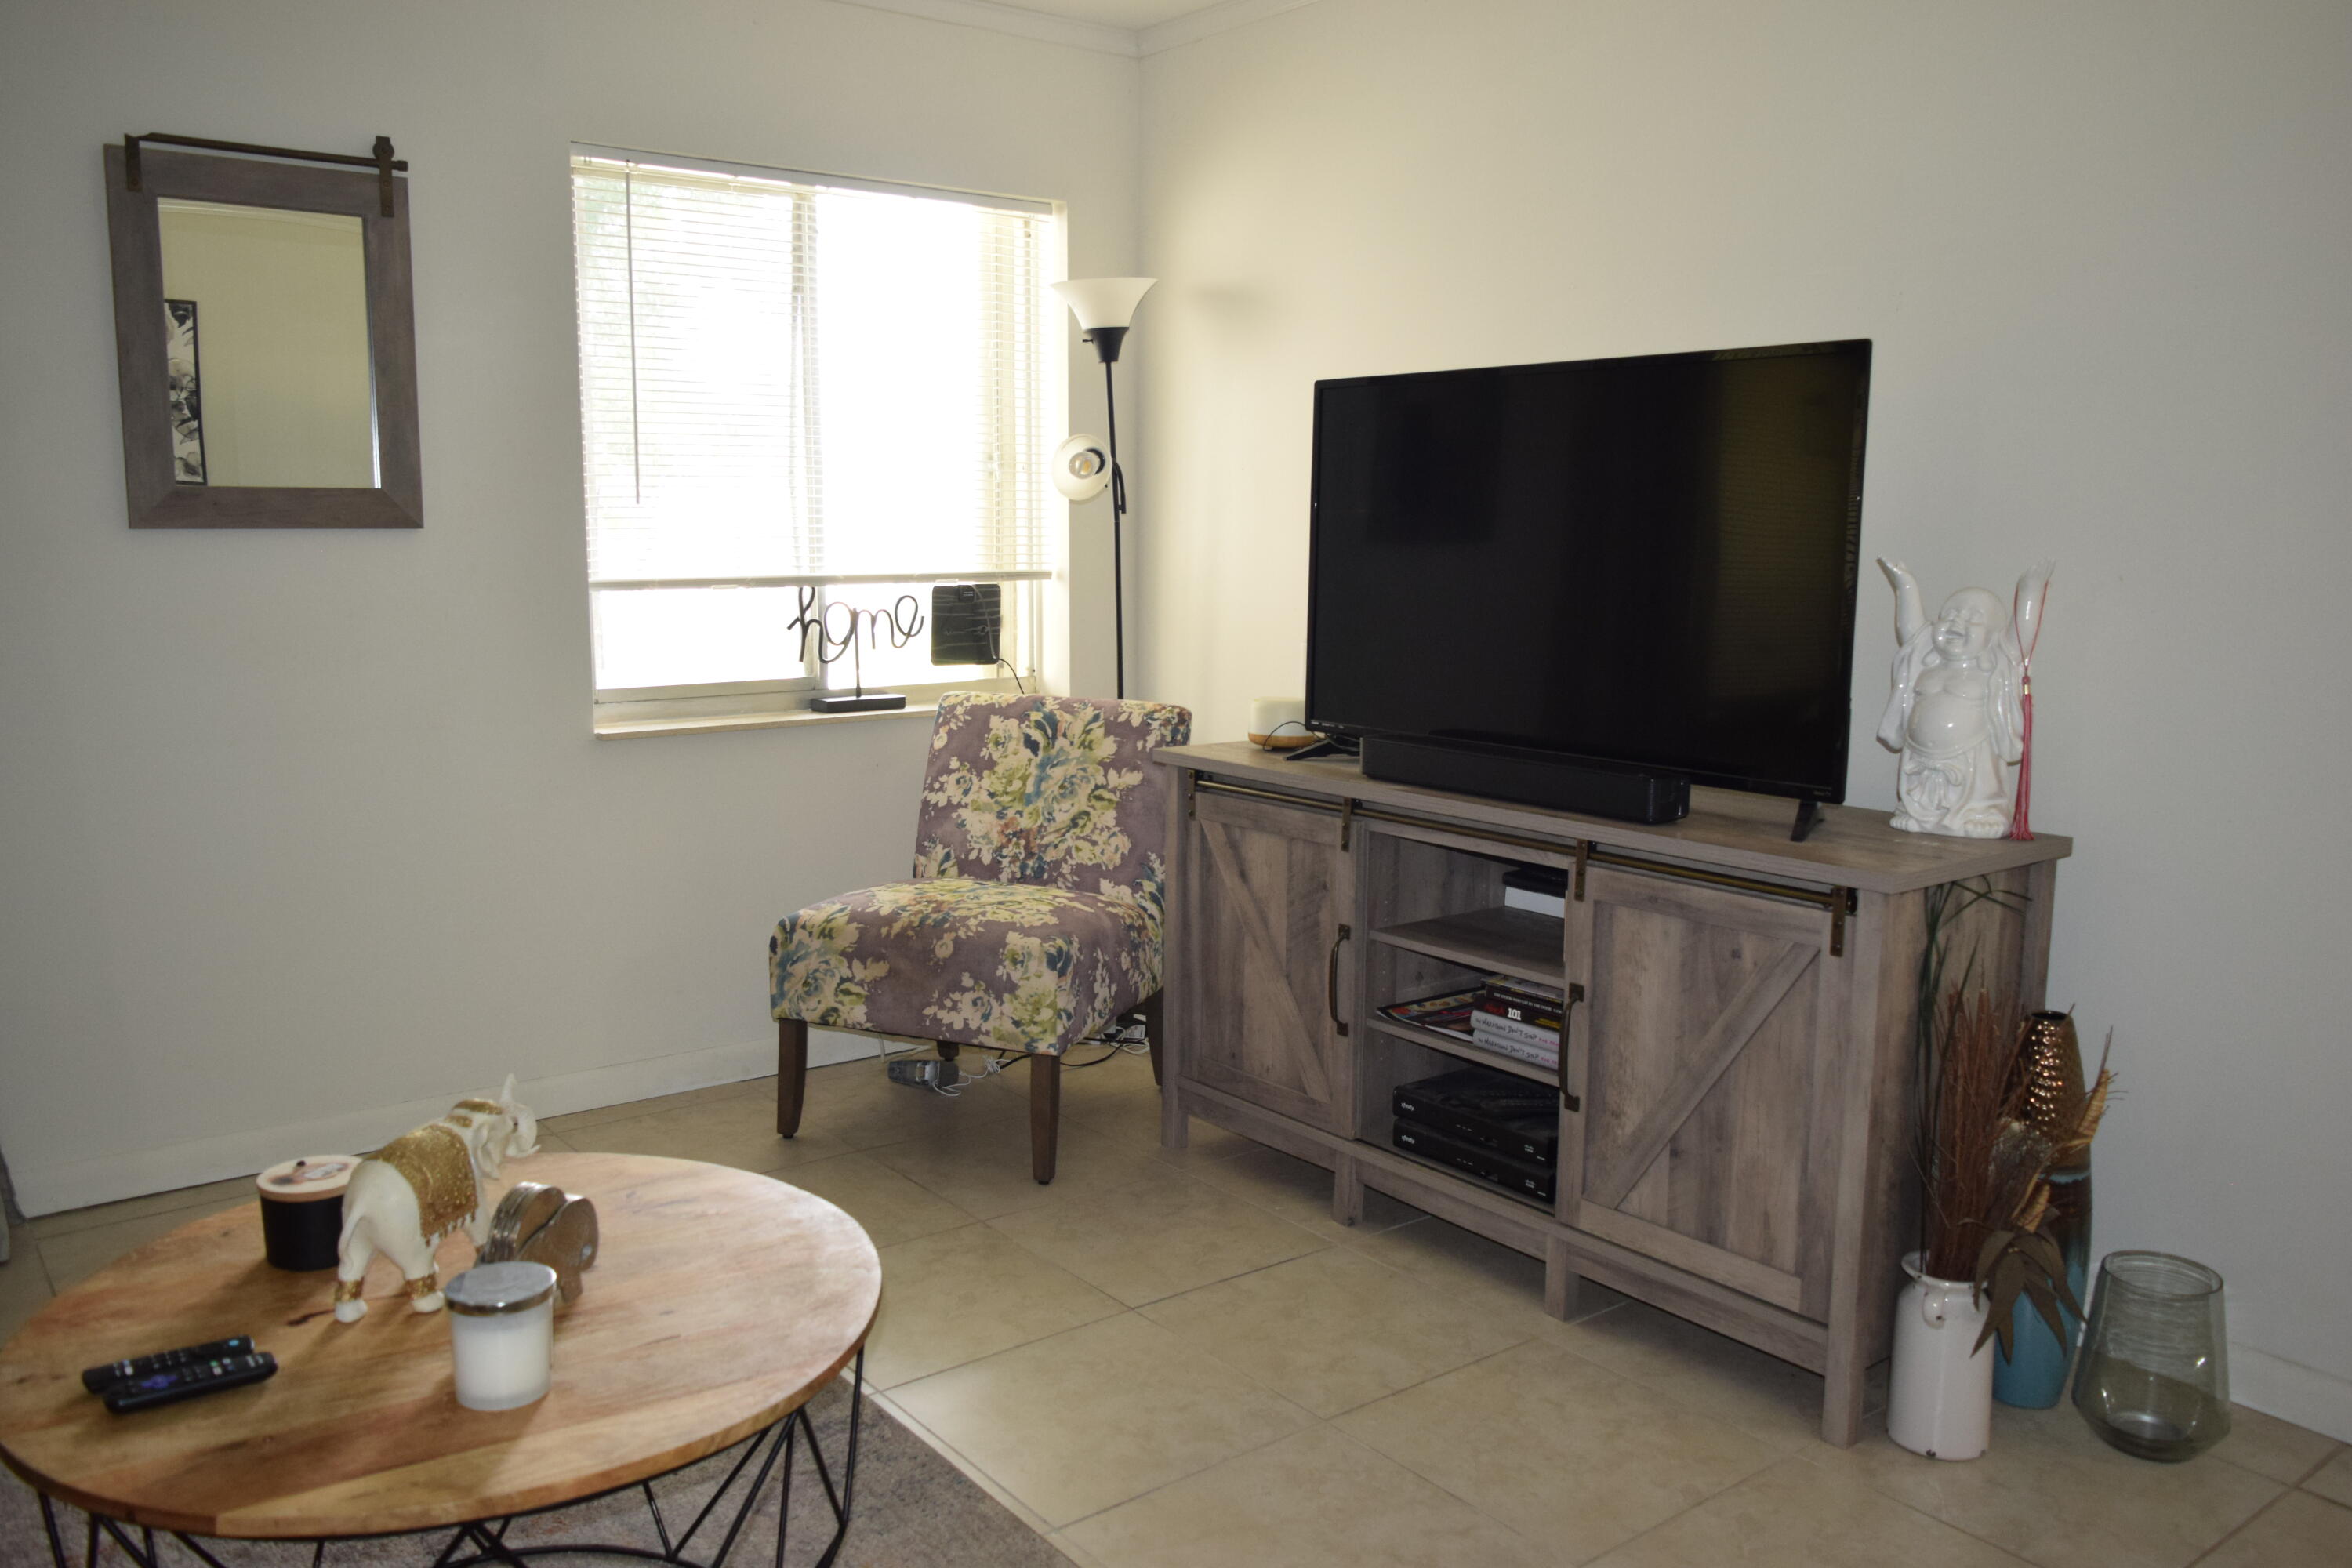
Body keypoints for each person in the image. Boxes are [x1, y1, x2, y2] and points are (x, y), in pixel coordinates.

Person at [1876, 559, 2051, 837]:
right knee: (1920, 794)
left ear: (1994, 636)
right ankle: (1920, 813)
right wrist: (1906, 585)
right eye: (1950, 614)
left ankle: (1983, 811)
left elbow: (2021, 637)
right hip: (1919, 758)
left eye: (1973, 617)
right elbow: (1910, 631)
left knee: (1980, 784)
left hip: (1972, 755)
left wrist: (2030, 590)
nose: (1957, 620)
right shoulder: (1926, 661)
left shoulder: (1995, 665)